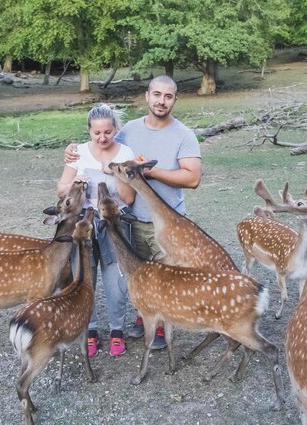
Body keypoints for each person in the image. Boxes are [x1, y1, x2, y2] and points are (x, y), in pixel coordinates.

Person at [64, 76, 202, 350]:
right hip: (130, 217)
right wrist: (71, 152)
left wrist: (147, 171)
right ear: (147, 96)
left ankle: (162, 325)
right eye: (157, 95)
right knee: (137, 274)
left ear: (175, 99)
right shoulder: (129, 130)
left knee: (164, 274)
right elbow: (102, 144)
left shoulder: (183, 134)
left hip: (166, 221)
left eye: (168, 96)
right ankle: (144, 317)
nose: (161, 101)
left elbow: (193, 179)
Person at [58, 104, 136, 357]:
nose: (102, 138)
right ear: (89, 131)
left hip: (114, 222)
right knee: (85, 276)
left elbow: (129, 198)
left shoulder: (125, 152)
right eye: (97, 133)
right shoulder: (78, 153)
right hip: (83, 222)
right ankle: (89, 330)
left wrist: (116, 173)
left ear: (115, 130)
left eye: (108, 132)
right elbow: (60, 190)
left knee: (115, 280)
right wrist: (74, 184)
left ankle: (116, 331)